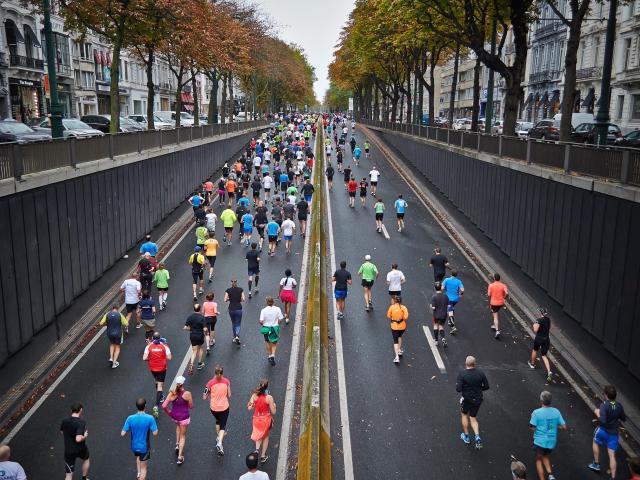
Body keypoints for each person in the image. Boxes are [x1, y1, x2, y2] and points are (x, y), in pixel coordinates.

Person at [588, 385, 627, 478]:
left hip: (602, 430)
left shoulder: (604, 405)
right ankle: (612, 477)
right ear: (615, 395)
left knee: (595, 441)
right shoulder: (619, 406)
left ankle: (596, 464)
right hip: (613, 434)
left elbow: (602, 420)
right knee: (612, 455)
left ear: (605, 395)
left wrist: (597, 412)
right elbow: (623, 418)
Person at [530, 391, 566, 480]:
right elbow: (564, 427)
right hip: (551, 442)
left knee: (538, 460)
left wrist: (532, 418)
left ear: (541, 400)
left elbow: (532, 428)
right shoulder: (556, 411)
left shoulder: (536, 413)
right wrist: (554, 426)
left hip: (540, 441)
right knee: (545, 455)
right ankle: (550, 475)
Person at [456, 356, 489, 450]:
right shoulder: (481, 373)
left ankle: (466, 437)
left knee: (464, 415)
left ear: (465, 364)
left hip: (467, 400)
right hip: (478, 399)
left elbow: (458, 389)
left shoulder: (462, 374)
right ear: (475, 364)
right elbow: (486, 386)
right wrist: (478, 389)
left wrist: (465, 390)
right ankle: (477, 436)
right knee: (473, 418)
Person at [121, 398, 158, 480]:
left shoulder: (130, 418)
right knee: (144, 468)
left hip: (134, 446)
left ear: (136, 406)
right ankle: (141, 475)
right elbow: (155, 433)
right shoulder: (150, 418)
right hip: (144, 447)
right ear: (145, 406)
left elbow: (122, 433)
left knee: (138, 457)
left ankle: (138, 473)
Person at [162, 376, 193, 465]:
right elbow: (191, 406)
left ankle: (177, 444)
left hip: (175, 417)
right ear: (183, 384)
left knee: (178, 426)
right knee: (183, 435)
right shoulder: (187, 394)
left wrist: (169, 413)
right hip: (184, 417)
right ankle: (180, 456)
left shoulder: (172, 393)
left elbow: (164, 406)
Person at [204, 365, 231, 456]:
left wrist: (209, 396)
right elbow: (229, 395)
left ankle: (218, 437)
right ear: (222, 373)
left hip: (213, 408)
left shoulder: (209, 383)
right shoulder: (226, 382)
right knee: (223, 426)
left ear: (214, 373)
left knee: (218, 421)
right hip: (224, 407)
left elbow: (204, 396)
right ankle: (220, 443)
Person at [143, 331, 172, 418]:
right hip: (162, 368)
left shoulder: (149, 346)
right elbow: (169, 357)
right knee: (160, 386)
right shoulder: (164, 346)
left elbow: (144, 358)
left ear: (152, 338)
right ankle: (156, 405)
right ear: (160, 338)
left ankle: (161, 396)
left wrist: (151, 359)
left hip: (153, 368)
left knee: (156, 381)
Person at [248, 379, 277, 465]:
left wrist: (252, 404)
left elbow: (249, 407)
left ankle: (257, 450)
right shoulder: (269, 397)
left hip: (256, 419)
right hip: (265, 420)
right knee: (265, 435)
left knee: (259, 434)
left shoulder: (254, 395)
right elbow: (274, 412)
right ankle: (263, 456)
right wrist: (274, 405)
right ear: (267, 387)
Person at [61, 402, 90, 480]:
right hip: (80, 449)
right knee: (86, 459)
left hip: (69, 451)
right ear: (81, 410)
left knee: (69, 474)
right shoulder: (81, 422)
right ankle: (84, 478)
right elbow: (78, 439)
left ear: (71, 410)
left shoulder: (64, 420)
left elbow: (62, 432)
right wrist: (85, 436)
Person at [528, 308, 553, 382]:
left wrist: (534, 325)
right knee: (544, 355)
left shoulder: (538, 320)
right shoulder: (548, 320)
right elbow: (548, 328)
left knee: (535, 350)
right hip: (546, 339)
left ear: (540, 313)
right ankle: (549, 372)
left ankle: (532, 364)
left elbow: (535, 330)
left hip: (539, 339)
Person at [260, 296, 284, 365]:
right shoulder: (277, 309)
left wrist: (263, 324)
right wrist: (277, 323)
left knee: (267, 342)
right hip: (274, 328)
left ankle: (270, 355)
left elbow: (261, 321)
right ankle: (273, 355)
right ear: (273, 302)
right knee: (274, 343)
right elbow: (280, 319)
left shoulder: (263, 310)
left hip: (266, 328)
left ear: (266, 302)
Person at [184, 304, 208, 374]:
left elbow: (185, 327)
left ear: (193, 309)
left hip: (192, 335)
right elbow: (205, 328)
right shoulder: (202, 318)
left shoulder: (190, 317)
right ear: (200, 309)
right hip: (200, 335)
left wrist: (191, 329)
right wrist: (206, 333)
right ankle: (199, 364)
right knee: (200, 348)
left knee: (194, 351)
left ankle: (191, 364)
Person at [387, 295, 409, 364]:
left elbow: (388, 315)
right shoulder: (403, 307)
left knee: (395, 341)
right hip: (402, 326)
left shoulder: (392, 307)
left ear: (395, 300)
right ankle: (399, 350)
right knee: (400, 336)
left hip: (394, 326)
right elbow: (406, 317)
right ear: (401, 301)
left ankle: (396, 357)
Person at [442, 270, 464, 335]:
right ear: (456, 275)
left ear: (451, 274)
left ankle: (452, 326)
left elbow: (442, 288)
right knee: (452, 308)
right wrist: (461, 294)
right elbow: (462, 290)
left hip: (448, 299)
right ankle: (450, 320)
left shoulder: (446, 280)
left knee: (449, 311)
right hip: (456, 299)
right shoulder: (459, 281)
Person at [487, 273, 508, 339]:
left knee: (495, 315)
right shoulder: (503, 285)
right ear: (500, 279)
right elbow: (507, 293)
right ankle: (494, 325)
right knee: (494, 312)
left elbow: (489, 294)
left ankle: (497, 331)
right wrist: (504, 297)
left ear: (494, 278)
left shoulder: (491, 285)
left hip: (494, 303)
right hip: (501, 303)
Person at [225, 279, 245, 345]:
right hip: (239, 308)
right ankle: (237, 335)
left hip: (231, 309)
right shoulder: (240, 290)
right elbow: (243, 299)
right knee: (238, 323)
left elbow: (225, 300)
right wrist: (239, 299)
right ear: (236, 283)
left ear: (231, 283)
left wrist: (229, 299)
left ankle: (234, 337)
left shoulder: (228, 290)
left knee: (233, 323)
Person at [430, 282, 449, 348]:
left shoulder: (434, 297)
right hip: (443, 314)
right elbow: (448, 305)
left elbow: (433, 307)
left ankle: (436, 340)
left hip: (436, 315)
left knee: (435, 326)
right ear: (441, 288)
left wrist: (431, 306)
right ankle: (443, 338)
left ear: (435, 288)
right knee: (441, 326)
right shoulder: (445, 296)